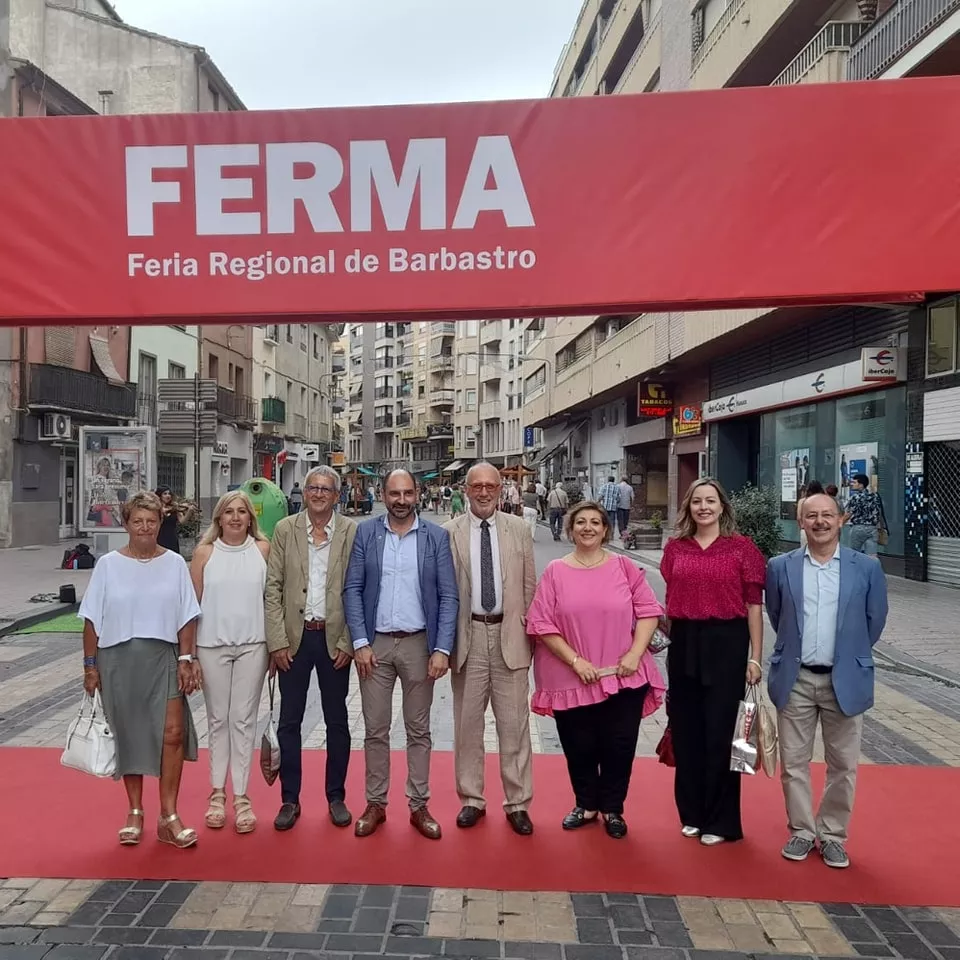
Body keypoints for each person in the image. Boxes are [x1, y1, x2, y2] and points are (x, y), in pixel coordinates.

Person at [526, 501, 665, 838]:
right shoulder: (556, 571)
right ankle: (586, 803)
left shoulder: (624, 567)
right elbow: (541, 623)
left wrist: (635, 653)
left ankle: (613, 808)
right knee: (579, 744)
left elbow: (648, 610)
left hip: (623, 674)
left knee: (619, 745)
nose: (588, 528)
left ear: (606, 529)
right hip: (570, 675)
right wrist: (575, 660)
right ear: (570, 529)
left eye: (595, 522)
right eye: (580, 522)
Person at [766, 492, 888, 869]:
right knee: (794, 763)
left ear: (841, 520)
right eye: (811, 516)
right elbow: (776, 614)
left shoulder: (865, 568)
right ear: (800, 522)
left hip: (845, 678)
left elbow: (875, 620)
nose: (820, 522)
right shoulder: (780, 567)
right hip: (796, 678)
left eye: (827, 515)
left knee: (844, 765)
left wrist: (849, 655)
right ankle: (802, 831)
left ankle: (833, 835)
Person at [78, 491, 202, 849]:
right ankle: (135, 811)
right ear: (126, 524)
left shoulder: (175, 563)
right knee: (129, 734)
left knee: (173, 734)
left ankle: (169, 816)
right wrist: (90, 667)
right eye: (138, 521)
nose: (145, 528)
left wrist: (186, 658)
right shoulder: (108, 565)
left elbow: (188, 616)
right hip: (117, 659)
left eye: (151, 521)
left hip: (163, 656)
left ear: (160, 523)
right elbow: (91, 620)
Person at [343, 469, 459, 839]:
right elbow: (353, 589)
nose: (401, 500)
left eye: (408, 493)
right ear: (383, 494)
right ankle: (375, 804)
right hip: (374, 647)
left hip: (419, 645)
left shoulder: (436, 537)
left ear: (418, 494)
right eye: (394, 493)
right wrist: (359, 642)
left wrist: (442, 648)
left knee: (419, 730)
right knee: (375, 729)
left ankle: (419, 805)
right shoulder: (366, 533)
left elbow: (448, 596)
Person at [660, 478, 766, 846]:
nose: (704, 507)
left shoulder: (742, 549)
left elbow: (754, 606)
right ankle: (691, 813)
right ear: (688, 507)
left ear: (723, 507)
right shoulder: (675, 549)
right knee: (687, 731)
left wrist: (755, 657)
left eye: (711, 501)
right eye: (696, 501)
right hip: (685, 642)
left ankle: (721, 821)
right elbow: (672, 599)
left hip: (727, 642)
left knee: (721, 733)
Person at [265, 465, 358, 831]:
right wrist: (277, 641)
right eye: (312, 488)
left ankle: (336, 796)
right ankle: (290, 798)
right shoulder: (285, 530)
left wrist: (350, 641)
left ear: (337, 496)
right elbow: (273, 588)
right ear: (304, 494)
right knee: (290, 721)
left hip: (334, 639)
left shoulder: (351, 531)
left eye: (326, 489)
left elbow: (359, 588)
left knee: (338, 721)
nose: (319, 494)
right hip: (294, 639)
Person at [446, 462, 537, 835]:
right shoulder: (448, 532)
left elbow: (529, 586)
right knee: (467, 726)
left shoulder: (519, 529)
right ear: (466, 490)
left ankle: (517, 803)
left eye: (491, 486)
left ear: (501, 489)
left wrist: (529, 635)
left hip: (509, 637)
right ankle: (471, 799)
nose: (484, 492)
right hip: (467, 638)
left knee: (514, 726)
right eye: (476, 486)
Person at [190, 491, 270, 834]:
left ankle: (241, 797)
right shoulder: (204, 553)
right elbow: (191, 607)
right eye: (229, 512)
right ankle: (216, 794)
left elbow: (272, 601)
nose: (235, 517)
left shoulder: (263, 551)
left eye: (242, 512)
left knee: (243, 720)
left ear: (251, 518)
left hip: (254, 644)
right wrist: (189, 654)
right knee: (217, 719)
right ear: (218, 519)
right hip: (211, 645)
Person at [845, 473, 886, 556]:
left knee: (854, 554)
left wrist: (838, 523)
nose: (852, 484)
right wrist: (881, 527)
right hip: (872, 529)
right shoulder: (875, 496)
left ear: (861, 485)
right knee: (871, 556)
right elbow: (880, 513)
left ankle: (856, 569)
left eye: (854, 482)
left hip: (858, 529)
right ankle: (871, 569)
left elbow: (848, 514)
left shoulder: (855, 497)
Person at [156, 486, 196, 554]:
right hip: (160, 538)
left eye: (169, 494)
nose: (168, 496)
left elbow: (182, 521)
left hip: (172, 538)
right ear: (160, 495)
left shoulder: (175, 507)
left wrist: (189, 511)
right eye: (165, 494)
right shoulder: (156, 508)